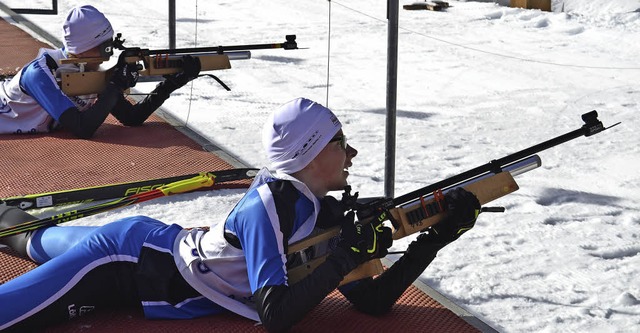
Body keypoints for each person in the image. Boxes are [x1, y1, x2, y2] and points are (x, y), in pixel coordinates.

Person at [0, 97, 481, 332]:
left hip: (157, 240)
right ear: (311, 155)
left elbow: (372, 301)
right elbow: (276, 315)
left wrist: (433, 239)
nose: (352, 152)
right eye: (341, 142)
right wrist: (344, 254)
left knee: (31, 236)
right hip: (127, 261)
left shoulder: (323, 209)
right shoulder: (269, 205)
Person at [0, 5, 201, 138]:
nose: (109, 52)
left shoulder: (88, 72)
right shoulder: (39, 74)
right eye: (105, 46)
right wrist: (115, 86)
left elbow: (132, 117)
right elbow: (83, 128)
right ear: (83, 47)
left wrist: (172, 83)